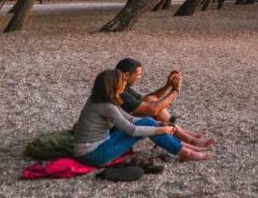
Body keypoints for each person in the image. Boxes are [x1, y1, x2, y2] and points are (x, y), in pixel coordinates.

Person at [72, 69, 211, 166]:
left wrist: (156, 125)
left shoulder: (100, 99)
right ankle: (184, 151)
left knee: (148, 122)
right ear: (113, 86)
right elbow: (131, 130)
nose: (125, 84)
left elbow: (130, 119)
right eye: (122, 82)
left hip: (91, 149)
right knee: (148, 125)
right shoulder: (106, 105)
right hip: (92, 155)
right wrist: (159, 131)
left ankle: (182, 148)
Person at [114, 57, 214, 147]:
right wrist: (175, 90)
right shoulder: (120, 91)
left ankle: (181, 133)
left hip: (125, 117)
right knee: (154, 109)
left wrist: (168, 85)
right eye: (138, 75)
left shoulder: (121, 84)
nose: (139, 78)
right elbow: (153, 110)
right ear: (126, 75)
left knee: (150, 100)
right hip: (119, 127)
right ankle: (186, 138)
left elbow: (145, 99)